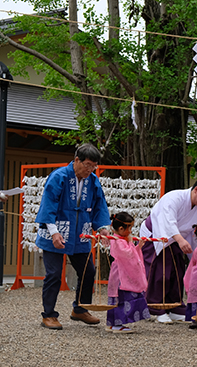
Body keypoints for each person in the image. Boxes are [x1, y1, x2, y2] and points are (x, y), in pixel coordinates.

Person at [35, 143, 111, 330]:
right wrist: (53, 232)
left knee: (88, 271)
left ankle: (80, 308)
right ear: (76, 160)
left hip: (80, 231)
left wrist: (102, 228)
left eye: (94, 166)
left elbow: (100, 205)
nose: (90, 169)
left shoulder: (92, 180)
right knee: (53, 274)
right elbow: (49, 203)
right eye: (87, 165)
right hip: (56, 229)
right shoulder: (59, 176)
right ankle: (49, 315)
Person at [140, 176, 197, 323]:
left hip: (178, 238)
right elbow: (167, 221)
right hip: (157, 234)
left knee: (177, 272)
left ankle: (175, 306)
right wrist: (180, 240)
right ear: (196, 189)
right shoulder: (174, 197)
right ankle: (156, 308)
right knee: (160, 272)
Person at [106, 212, 151, 333]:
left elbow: (131, 254)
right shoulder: (117, 240)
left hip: (123, 270)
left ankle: (114, 323)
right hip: (121, 273)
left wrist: (137, 246)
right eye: (129, 228)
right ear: (121, 228)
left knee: (123, 298)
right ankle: (117, 324)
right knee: (121, 298)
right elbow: (127, 254)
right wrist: (131, 243)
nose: (131, 231)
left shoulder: (121, 239)